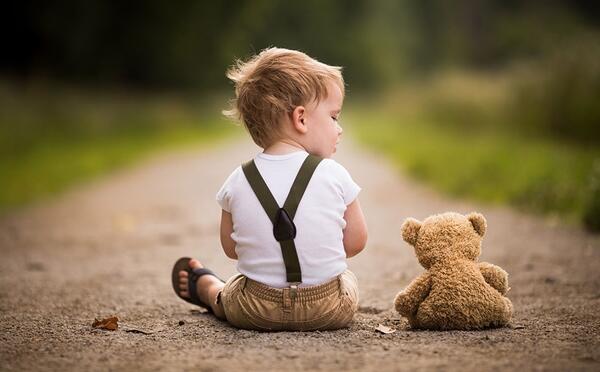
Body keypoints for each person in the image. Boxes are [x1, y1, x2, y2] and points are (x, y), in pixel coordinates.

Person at [172, 47, 368, 331]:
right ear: (300, 119)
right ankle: (218, 290)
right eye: (334, 117)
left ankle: (211, 291)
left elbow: (232, 248)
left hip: (254, 310)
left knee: (235, 288)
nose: (339, 129)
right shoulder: (335, 174)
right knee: (346, 277)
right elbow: (356, 242)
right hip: (329, 308)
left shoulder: (238, 179)